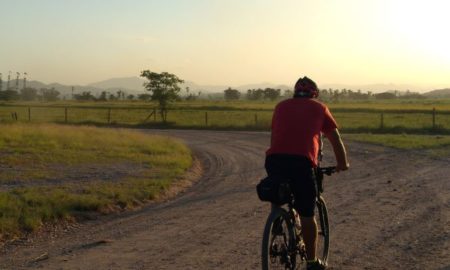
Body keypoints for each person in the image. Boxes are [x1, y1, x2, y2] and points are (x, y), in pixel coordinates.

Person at [265, 76, 349, 270]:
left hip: (274, 159)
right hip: (302, 163)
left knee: (278, 187)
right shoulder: (319, 107)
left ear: (294, 93)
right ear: (315, 94)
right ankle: (312, 262)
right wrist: (342, 163)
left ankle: (277, 218)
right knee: (307, 214)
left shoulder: (280, 107)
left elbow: (274, 136)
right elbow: (335, 139)